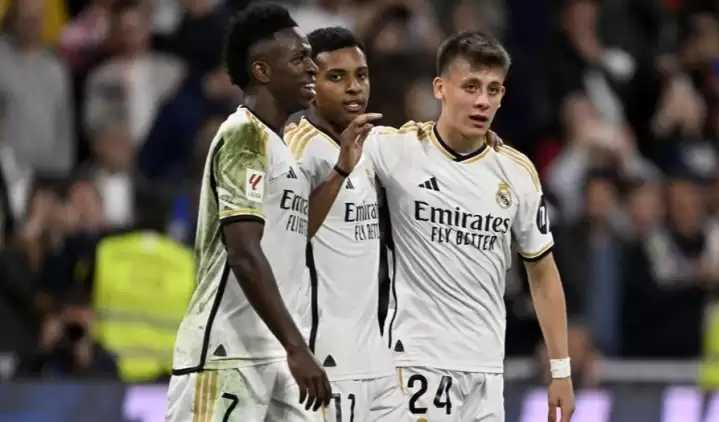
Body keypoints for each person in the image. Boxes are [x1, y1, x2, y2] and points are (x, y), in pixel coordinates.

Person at [165, 4, 377, 421]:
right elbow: (244, 252)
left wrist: (339, 171)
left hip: (276, 353)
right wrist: (297, 347)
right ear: (262, 71)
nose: (311, 68)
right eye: (299, 59)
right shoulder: (243, 136)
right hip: (227, 356)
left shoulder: (281, 148)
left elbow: (294, 237)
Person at [368, 31, 576, 421]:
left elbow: (543, 273)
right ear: (440, 88)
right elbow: (329, 140)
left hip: (487, 373)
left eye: (493, 89)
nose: (483, 100)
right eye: (471, 86)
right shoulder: (395, 150)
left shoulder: (516, 172)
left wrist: (561, 370)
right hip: (415, 364)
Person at [284, 27, 407, 421]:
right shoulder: (297, 149)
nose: (354, 87)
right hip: (326, 359)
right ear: (310, 85)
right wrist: (339, 171)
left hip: (376, 356)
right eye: (336, 77)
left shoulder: (370, 143)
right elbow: (284, 238)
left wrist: (481, 140)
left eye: (361, 75)